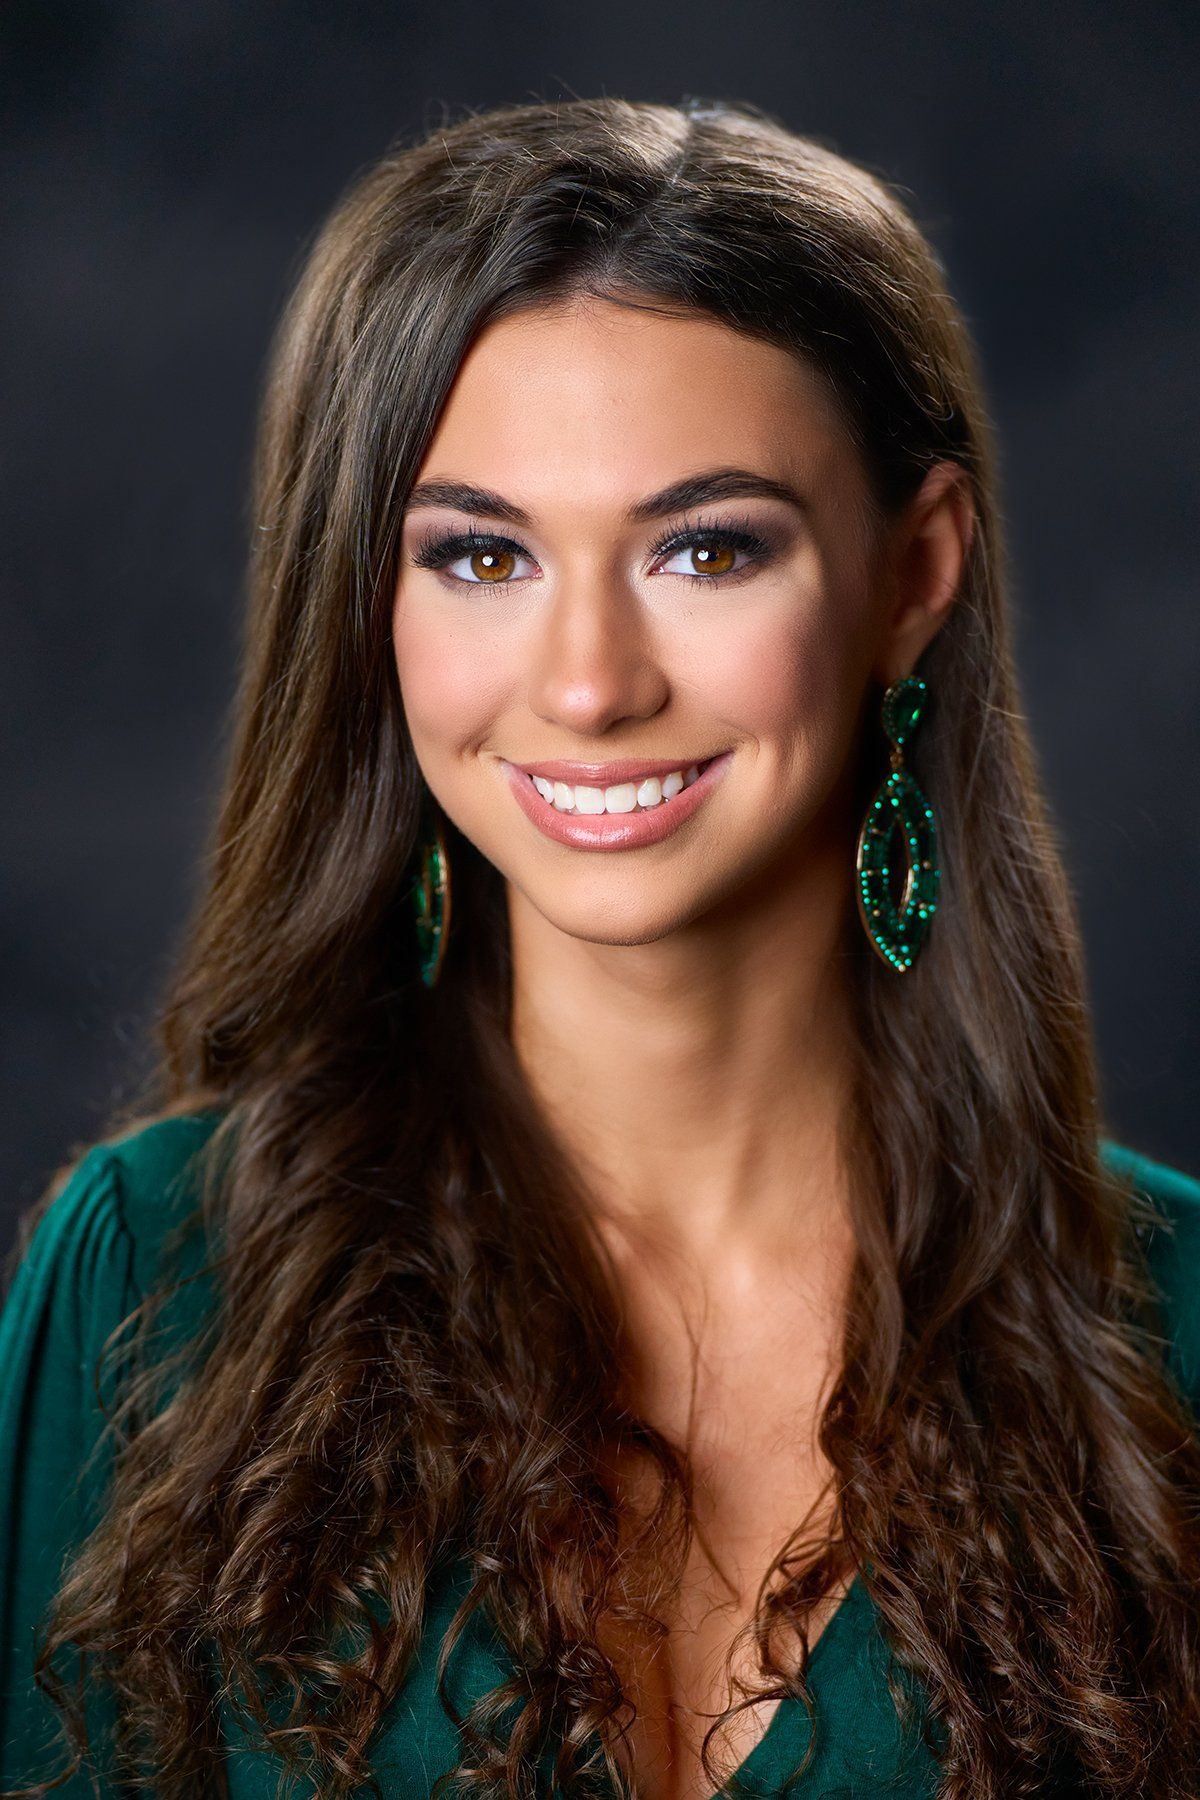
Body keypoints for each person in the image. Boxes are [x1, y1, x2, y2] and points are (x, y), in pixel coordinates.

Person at [2, 95, 1198, 1800]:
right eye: (481, 555)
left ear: (913, 573)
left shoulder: (1182, 1334)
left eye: (707, 548)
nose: (586, 683)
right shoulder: (153, 1278)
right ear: (372, 606)